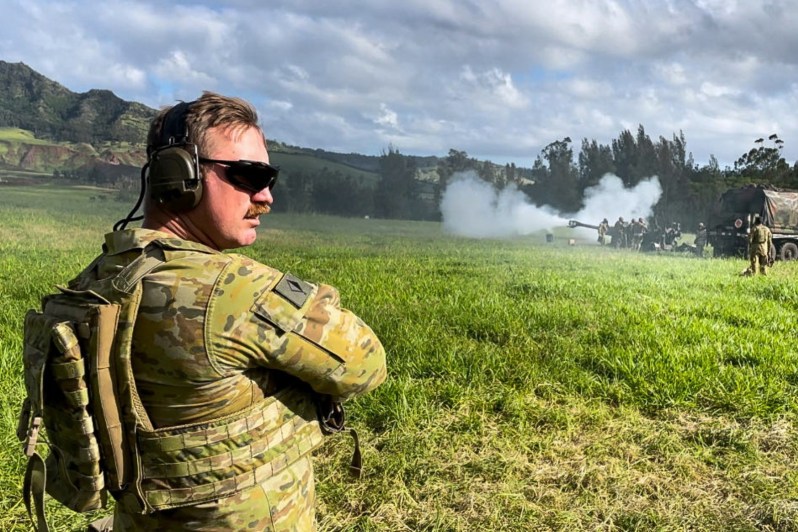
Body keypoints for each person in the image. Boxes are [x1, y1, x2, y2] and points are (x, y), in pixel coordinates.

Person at [67, 92, 387, 530]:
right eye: (248, 175)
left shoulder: (96, 280)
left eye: (269, 177)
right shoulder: (237, 291)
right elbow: (365, 364)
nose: (266, 196)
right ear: (179, 176)